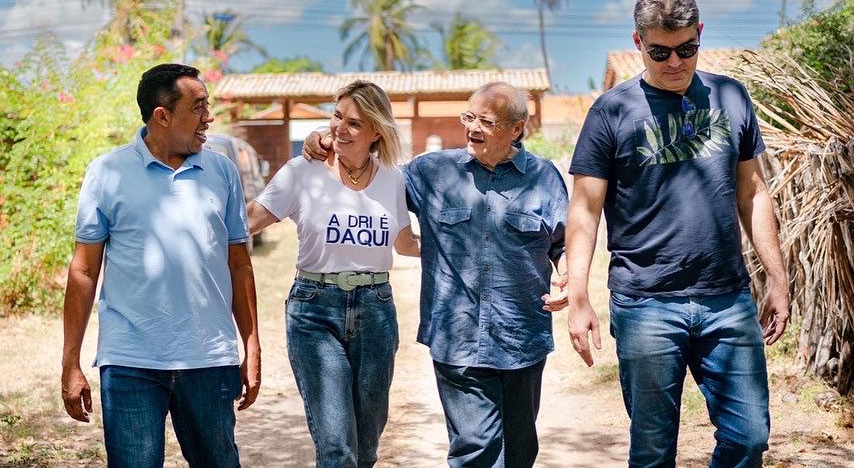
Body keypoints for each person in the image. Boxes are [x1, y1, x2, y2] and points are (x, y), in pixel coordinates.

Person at [565, 0, 790, 467]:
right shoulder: (612, 111)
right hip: (645, 302)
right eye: (660, 51)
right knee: (652, 449)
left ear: (700, 35)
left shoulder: (730, 96)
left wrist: (778, 276)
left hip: (727, 298)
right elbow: (584, 208)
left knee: (749, 437)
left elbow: (753, 193)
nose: (675, 62)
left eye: (687, 48)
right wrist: (579, 297)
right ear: (638, 42)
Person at [304, 81, 568, 467]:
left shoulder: (544, 178)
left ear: (516, 129)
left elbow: (563, 242)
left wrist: (567, 279)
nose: (473, 128)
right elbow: (369, 176)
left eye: (487, 121)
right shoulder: (431, 171)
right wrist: (325, 139)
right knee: (475, 447)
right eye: (469, 117)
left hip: (522, 335)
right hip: (456, 336)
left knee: (520, 450)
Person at [61, 63, 261, 467]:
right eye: (199, 107)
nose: (209, 118)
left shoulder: (222, 171)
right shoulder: (107, 173)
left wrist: (252, 344)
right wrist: (70, 362)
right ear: (162, 115)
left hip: (209, 358)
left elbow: (239, 263)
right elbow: (83, 271)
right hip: (130, 359)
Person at [248, 80, 420, 467]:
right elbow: (250, 220)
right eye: (337, 116)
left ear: (377, 130)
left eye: (355, 123)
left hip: (376, 311)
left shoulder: (393, 177)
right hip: (314, 310)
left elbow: (405, 243)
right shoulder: (302, 171)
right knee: (337, 446)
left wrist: (458, 247)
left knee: (367, 445)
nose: (341, 128)